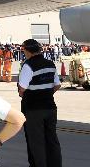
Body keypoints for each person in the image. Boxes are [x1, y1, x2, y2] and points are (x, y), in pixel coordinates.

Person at [17, 38, 62, 167]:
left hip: (33, 109)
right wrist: (46, 93)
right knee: (52, 140)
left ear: (28, 51)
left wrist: (29, 94)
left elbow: (22, 88)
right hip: (50, 107)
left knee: (36, 142)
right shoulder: (50, 64)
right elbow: (57, 85)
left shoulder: (28, 65)